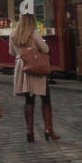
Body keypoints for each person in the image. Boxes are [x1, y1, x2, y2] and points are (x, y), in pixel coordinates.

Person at [9, 12, 57, 143]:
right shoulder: (34, 33)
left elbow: (12, 52)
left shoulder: (13, 34)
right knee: (45, 98)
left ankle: (29, 131)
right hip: (36, 67)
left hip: (22, 68)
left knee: (29, 100)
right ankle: (48, 129)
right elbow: (45, 49)